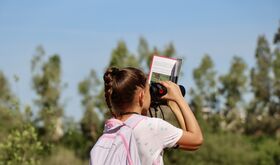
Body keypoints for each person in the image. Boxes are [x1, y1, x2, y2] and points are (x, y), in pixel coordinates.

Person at [92, 66, 203, 165]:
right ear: (141, 96)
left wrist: (170, 106)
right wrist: (178, 98)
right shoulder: (153, 127)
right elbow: (196, 140)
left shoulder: (110, 131)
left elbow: (187, 143)